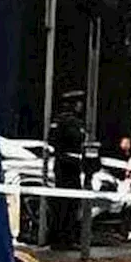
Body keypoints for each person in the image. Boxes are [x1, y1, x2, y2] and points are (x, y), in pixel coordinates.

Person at [47, 90, 86, 250]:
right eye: (79, 103)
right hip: (69, 167)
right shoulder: (70, 122)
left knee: (64, 205)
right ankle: (65, 239)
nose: (81, 106)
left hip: (64, 166)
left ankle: (61, 238)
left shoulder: (59, 121)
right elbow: (77, 140)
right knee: (68, 205)